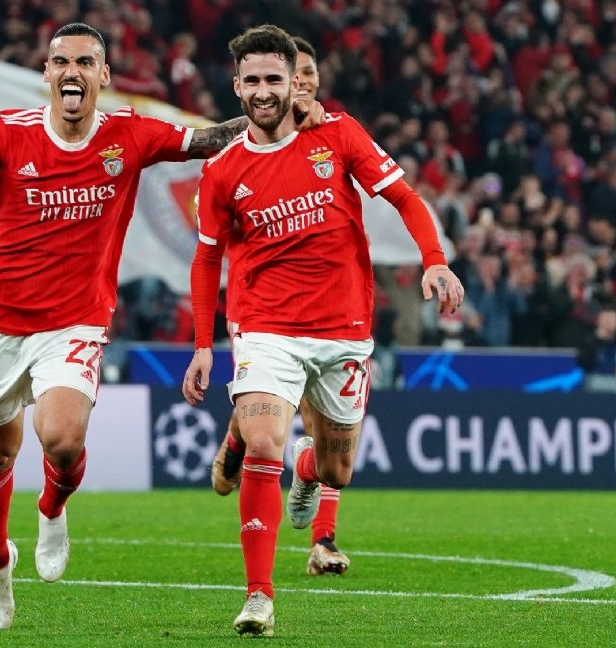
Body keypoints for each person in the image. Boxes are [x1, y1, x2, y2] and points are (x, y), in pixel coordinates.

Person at [0, 22, 323, 631]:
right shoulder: (7, 130)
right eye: (61, 61)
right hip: (0, 323)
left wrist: (280, 109)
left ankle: (52, 507)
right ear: (47, 73)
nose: (72, 71)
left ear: (103, 76)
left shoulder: (128, 133)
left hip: (76, 320)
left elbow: (208, 139)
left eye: (85, 62)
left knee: (61, 438)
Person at [182, 25, 463, 637]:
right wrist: (203, 345)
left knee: (337, 471)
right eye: (252, 81)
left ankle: (306, 468)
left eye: (274, 79)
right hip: (265, 327)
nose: (263, 91)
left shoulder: (337, 135)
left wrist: (434, 259)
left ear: (295, 83)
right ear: (236, 87)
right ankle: (259, 597)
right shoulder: (222, 170)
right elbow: (206, 261)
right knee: (265, 442)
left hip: (343, 329)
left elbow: (405, 197)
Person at [208, 36, 354, 578]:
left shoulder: (329, 138)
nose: (304, 83)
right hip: (260, 311)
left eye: (309, 75)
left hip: (331, 310)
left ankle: (282, 468)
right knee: (284, 426)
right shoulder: (245, 146)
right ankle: (320, 540)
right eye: (300, 74)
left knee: (331, 445)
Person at [576, 303, 616, 393]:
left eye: (612, 319)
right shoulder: (589, 342)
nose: (608, 323)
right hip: (596, 390)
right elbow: (584, 364)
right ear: (598, 321)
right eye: (605, 319)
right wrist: (598, 340)